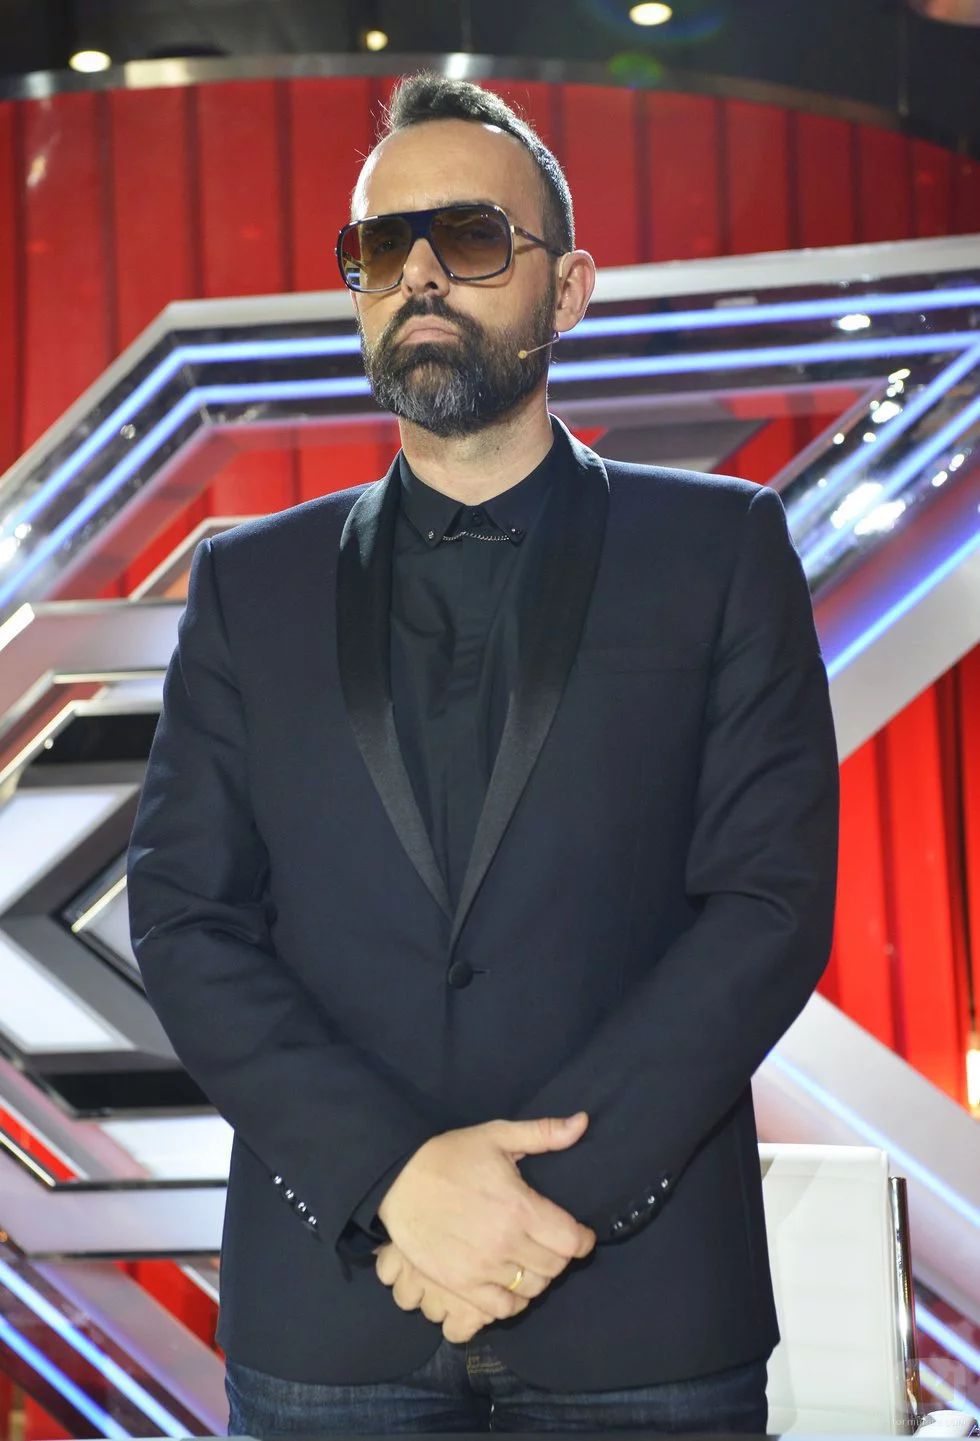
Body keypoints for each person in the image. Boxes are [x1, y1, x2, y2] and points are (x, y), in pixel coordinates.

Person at [127, 72, 839, 1435]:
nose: (418, 275)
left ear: (569, 289)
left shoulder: (720, 549)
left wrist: (529, 1210)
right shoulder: (245, 584)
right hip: (337, 1304)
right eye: (380, 246)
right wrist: (395, 1180)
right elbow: (184, 915)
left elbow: (767, 906)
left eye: (467, 237)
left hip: (639, 1309)